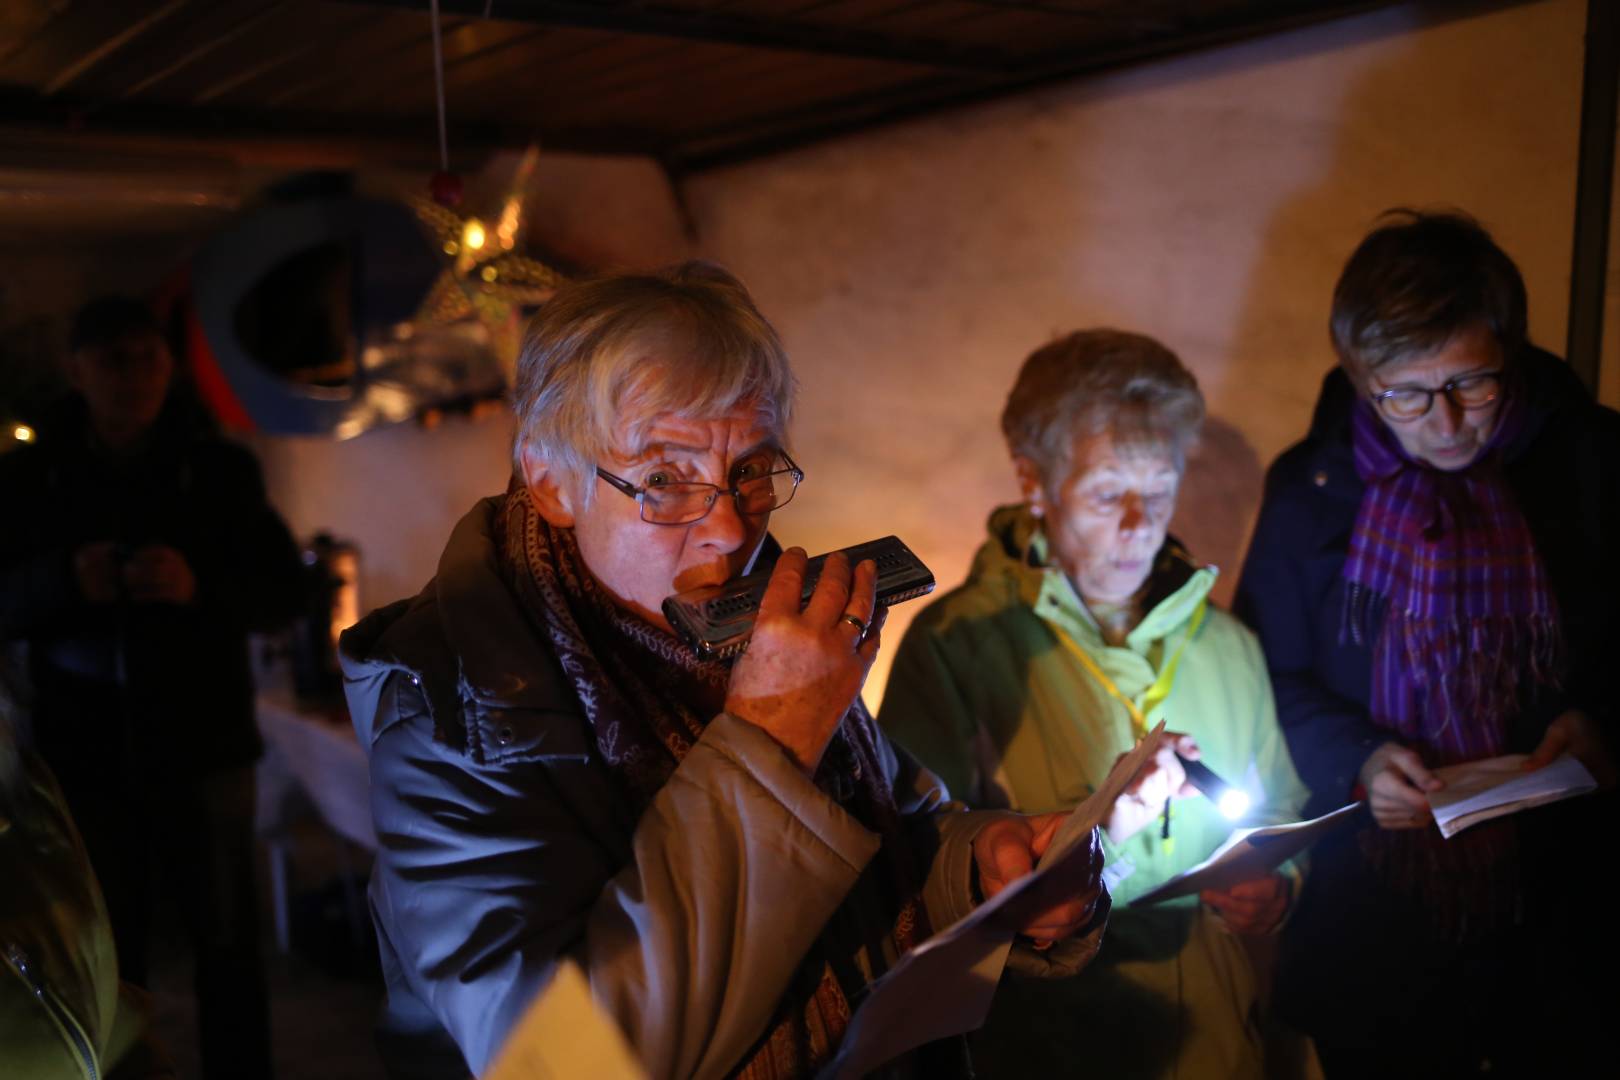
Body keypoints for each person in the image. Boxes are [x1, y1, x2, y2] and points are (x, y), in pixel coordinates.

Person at [339, 262, 1110, 1080]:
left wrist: (980, 866)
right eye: (665, 479)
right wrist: (770, 740)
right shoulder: (446, 700)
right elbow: (564, 1062)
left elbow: (895, 832)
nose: (729, 530)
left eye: (750, 471)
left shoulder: (758, 616)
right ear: (549, 479)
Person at [1234, 209, 1620, 1075]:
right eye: (1405, 393)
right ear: (1360, 377)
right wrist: (1362, 762)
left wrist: (1603, 724)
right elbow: (1272, 675)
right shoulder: (1311, 492)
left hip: (1571, 908)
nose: (1444, 422)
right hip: (1382, 917)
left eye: (1473, 383)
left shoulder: (1592, 461)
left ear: (1510, 351)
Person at [881, 329, 1311, 1079]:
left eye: (1162, 488)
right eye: (1109, 492)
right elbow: (913, 862)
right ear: (1033, 481)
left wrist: (1280, 884)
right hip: (1044, 1047)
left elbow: (1282, 805)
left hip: (1216, 1043)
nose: (1140, 524)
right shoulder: (957, 646)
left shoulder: (1228, 646)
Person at [0, 296, 302, 1080]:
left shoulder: (219, 468)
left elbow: (283, 595)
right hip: (83, 757)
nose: (134, 375)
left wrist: (198, 585)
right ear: (76, 370)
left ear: (170, 365)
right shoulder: (30, 477)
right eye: (113, 359)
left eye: (148, 356)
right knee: (105, 952)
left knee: (229, 946)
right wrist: (63, 581)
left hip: (204, 747)